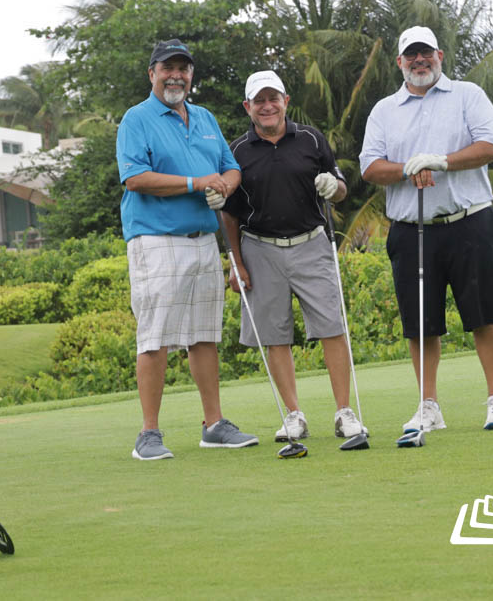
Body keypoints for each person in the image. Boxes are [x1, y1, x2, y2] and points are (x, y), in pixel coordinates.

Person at [359, 26, 493, 433]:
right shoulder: (384, 110)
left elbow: (491, 146)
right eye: (411, 54)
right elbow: (370, 166)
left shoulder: (467, 95)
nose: (419, 60)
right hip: (411, 230)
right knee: (420, 323)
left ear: (439, 55)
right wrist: (408, 169)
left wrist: (441, 161)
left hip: (469, 223)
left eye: (426, 52)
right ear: (400, 62)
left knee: (484, 314)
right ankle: (429, 406)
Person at [117, 38, 259, 461]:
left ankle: (213, 425)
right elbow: (135, 178)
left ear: (191, 75)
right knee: (155, 337)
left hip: (202, 240)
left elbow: (230, 167)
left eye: (183, 69)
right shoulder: (136, 118)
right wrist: (197, 184)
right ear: (152, 73)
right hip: (156, 239)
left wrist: (224, 186)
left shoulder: (204, 117)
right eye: (168, 68)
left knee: (204, 335)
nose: (175, 76)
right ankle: (148, 433)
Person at [221, 70, 366, 442]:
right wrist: (236, 262)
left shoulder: (311, 139)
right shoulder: (237, 151)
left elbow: (340, 189)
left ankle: (344, 412)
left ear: (285, 101)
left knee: (332, 326)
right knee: (274, 335)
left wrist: (334, 187)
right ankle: (294, 415)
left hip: (311, 243)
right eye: (259, 100)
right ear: (248, 107)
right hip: (259, 248)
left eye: (274, 98)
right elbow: (230, 213)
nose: (267, 106)